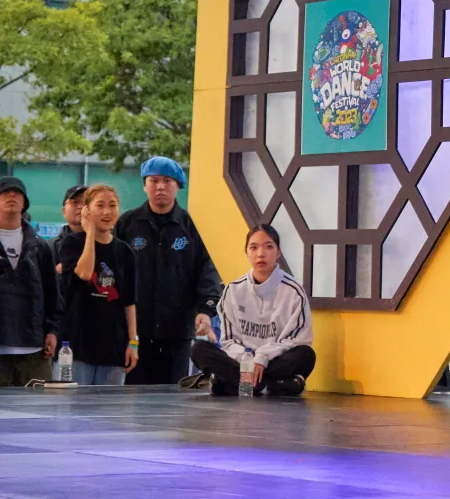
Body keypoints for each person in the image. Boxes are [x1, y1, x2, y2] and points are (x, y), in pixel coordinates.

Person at [115, 156, 222, 385]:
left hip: (177, 332)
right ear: (144, 185)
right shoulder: (127, 224)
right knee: (134, 397)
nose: (160, 187)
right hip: (136, 332)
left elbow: (207, 270)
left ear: (178, 185)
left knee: (174, 396)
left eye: (167, 181)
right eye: (154, 181)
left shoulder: (193, 226)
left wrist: (205, 309)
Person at [191, 224, 315, 398]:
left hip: (274, 361)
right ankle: (268, 387)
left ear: (278, 253)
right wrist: (248, 361)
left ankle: (234, 385)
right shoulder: (233, 290)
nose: (260, 254)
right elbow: (229, 341)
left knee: (305, 355)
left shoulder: (294, 291)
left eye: (268, 247)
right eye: (254, 247)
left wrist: (262, 358)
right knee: (198, 350)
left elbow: (297, 340)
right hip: (241, 362)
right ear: (247, 253)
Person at [0, 177, 61, 386]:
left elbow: (52, 292)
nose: (12, 195)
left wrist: (52, 330)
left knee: (40, 406)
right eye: (5, 192)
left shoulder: (40, 246)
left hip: (34, 346)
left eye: (18, 192)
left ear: (25, 203)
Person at [59, 183, 139, 386]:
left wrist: (133, 342)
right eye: (100, 205)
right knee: (74, 404)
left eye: (112, 205)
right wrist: (90, 235)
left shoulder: (125, 252)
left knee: (109, 405)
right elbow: (84, 274)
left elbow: (129, 302)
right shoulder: (71, 244)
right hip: (78, 346)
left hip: (114, 347)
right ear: (87, 210)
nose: (106, 212)